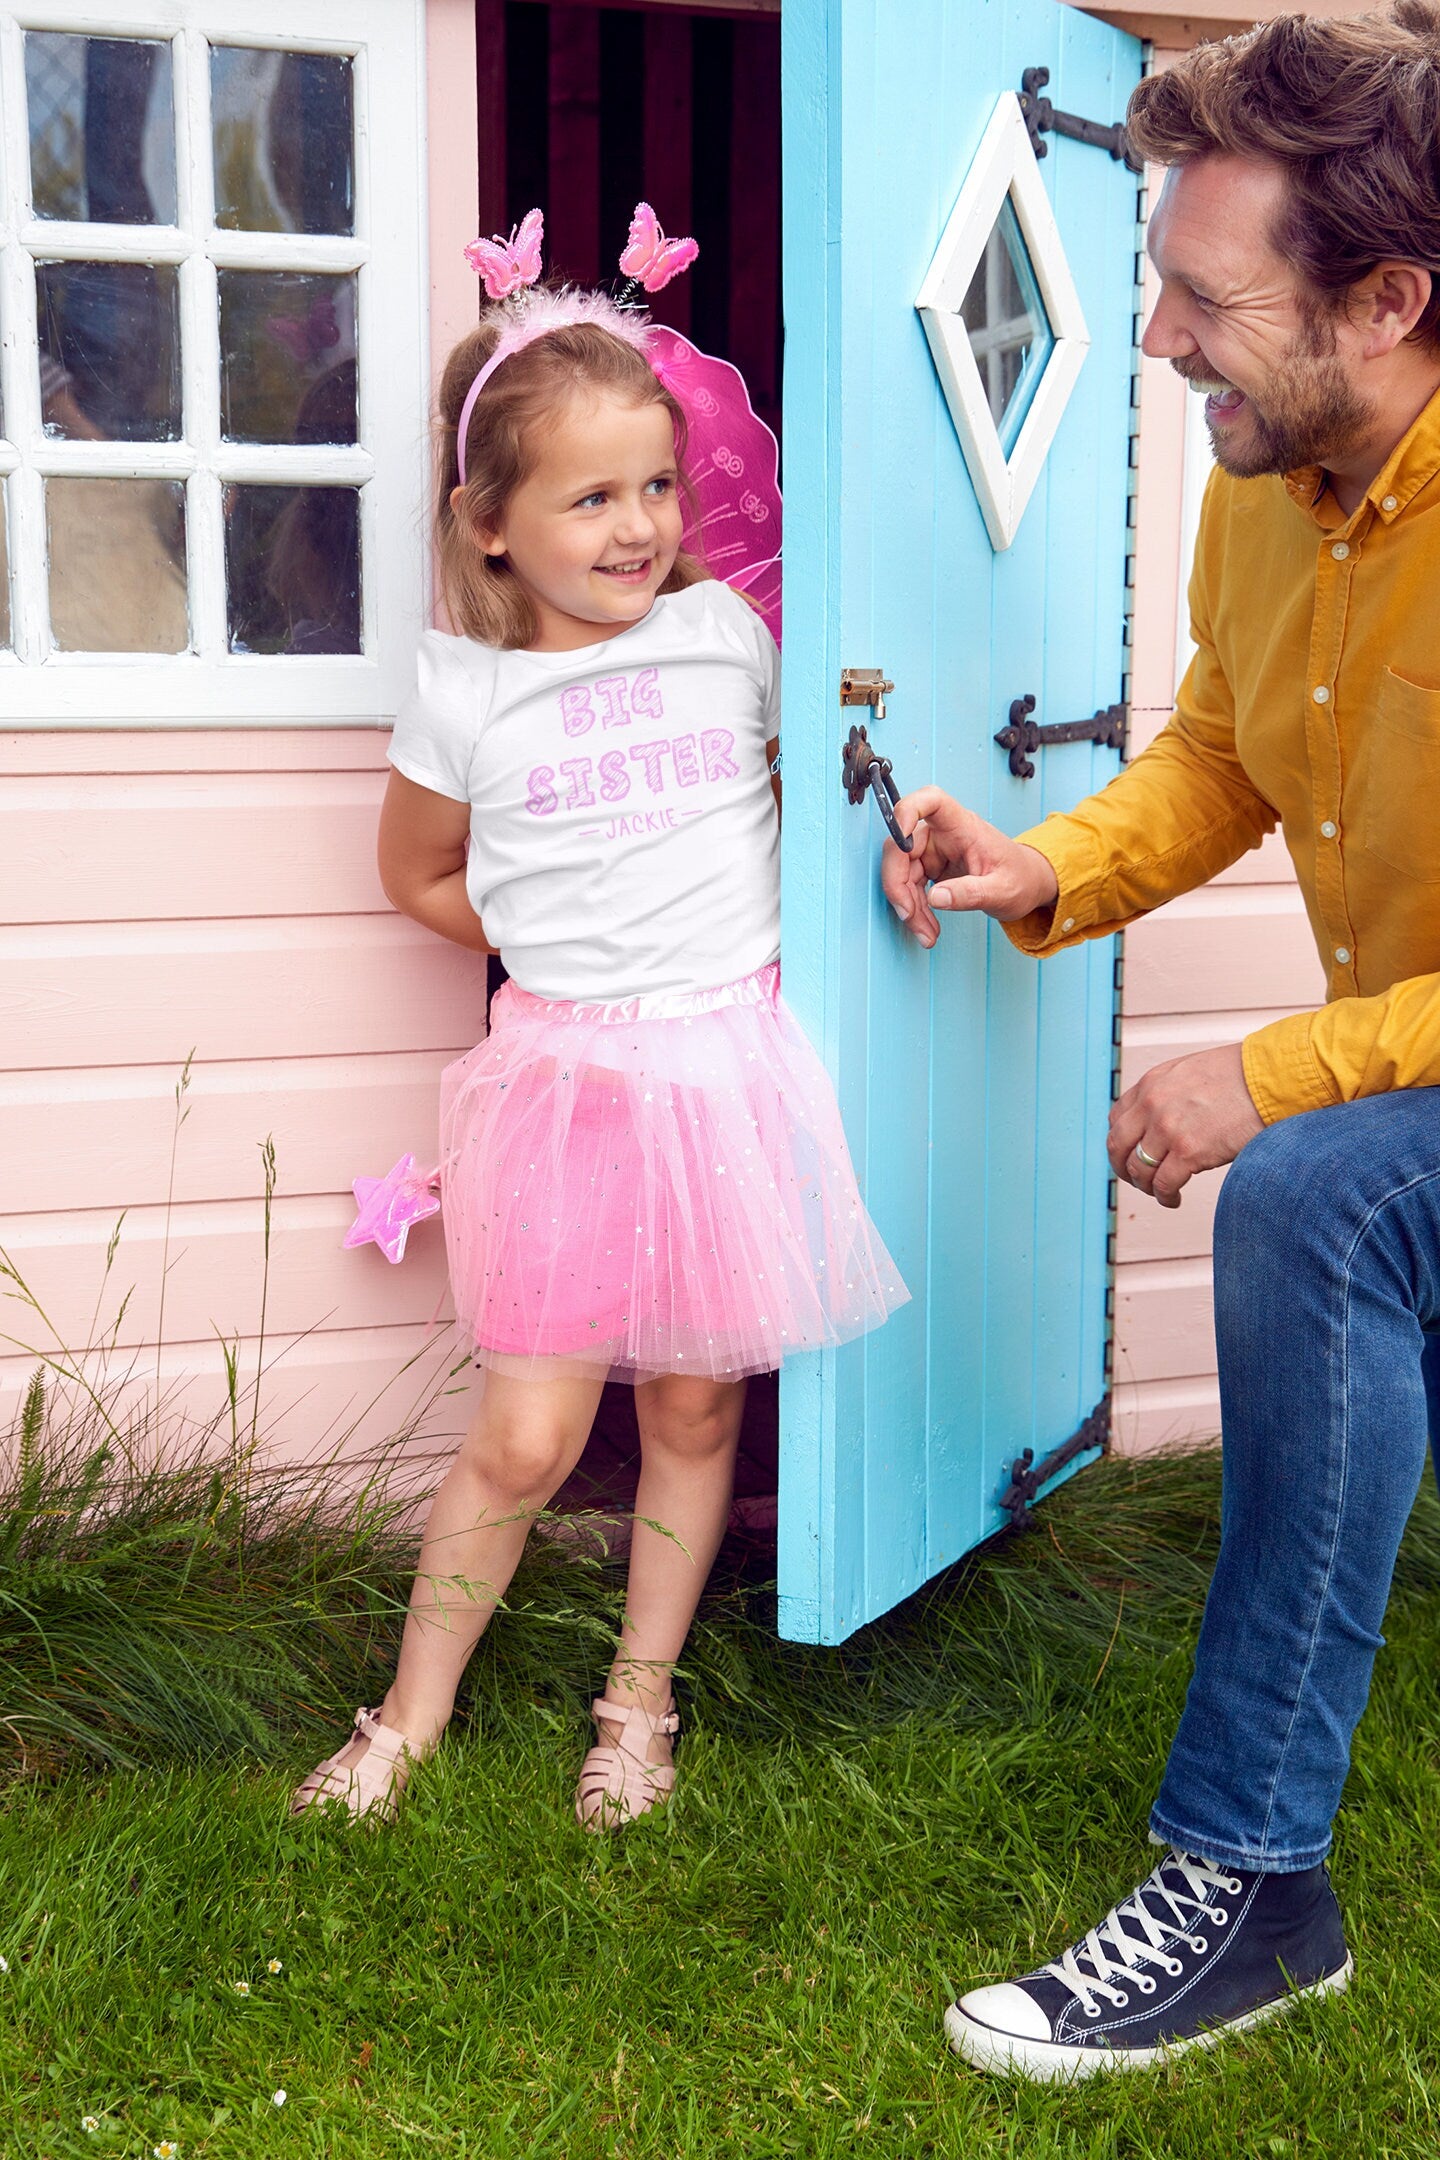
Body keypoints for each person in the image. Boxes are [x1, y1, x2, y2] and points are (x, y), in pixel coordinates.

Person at [884, 0, 1440, 2081]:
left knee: (1318, 1206)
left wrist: (1262, 1075)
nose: (1157, 344)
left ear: (1386, 299)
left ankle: (1251, 1884)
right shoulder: (1275, 481)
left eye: (1205, 303)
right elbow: (1229, 743)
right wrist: (1058, 871)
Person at [293, 216, 905, 1832]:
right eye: (590, 497)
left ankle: (639, 1699)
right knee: (531, 1429)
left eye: (654, 485)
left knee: (697, 1402)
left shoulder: (731, 638)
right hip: (567, 1075)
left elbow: (811, 801)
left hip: (722, 1064)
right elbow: (416, 869)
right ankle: (411, 1715)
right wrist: (549, 934)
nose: (638, 526)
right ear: (491, 527)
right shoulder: (467, 688)